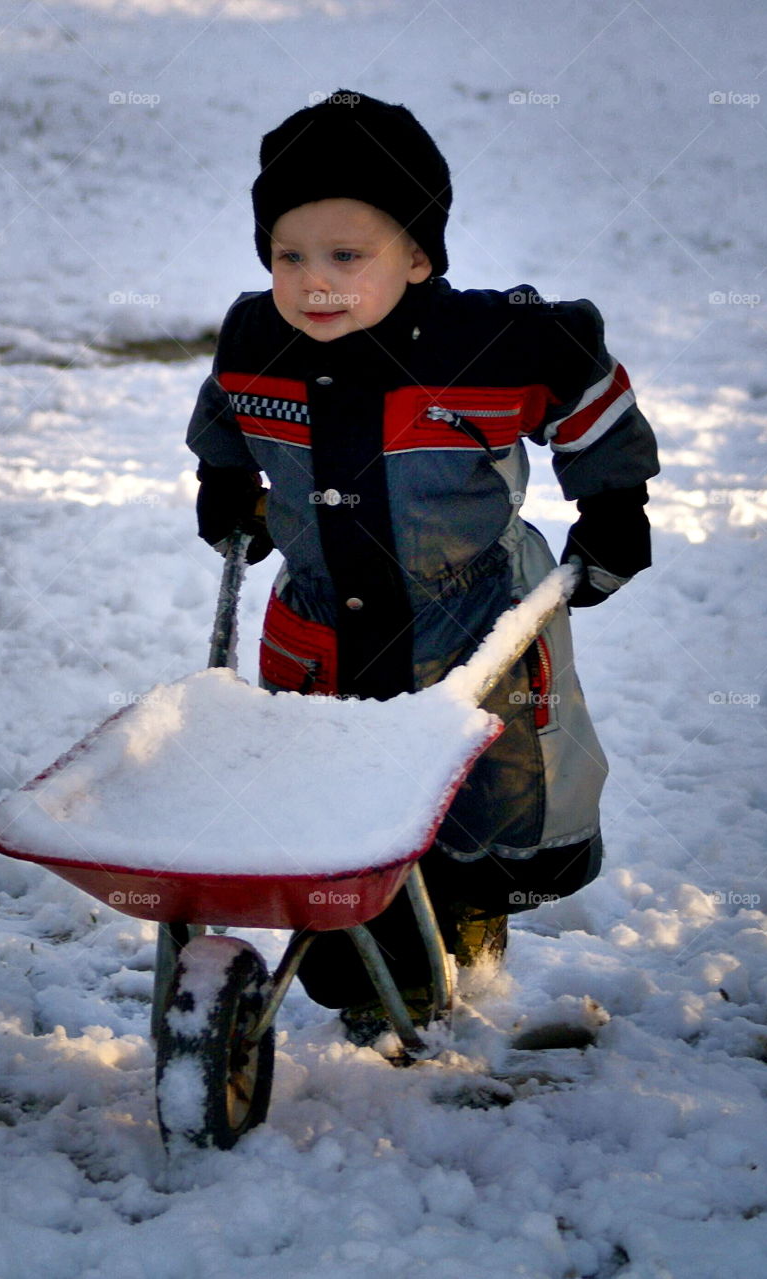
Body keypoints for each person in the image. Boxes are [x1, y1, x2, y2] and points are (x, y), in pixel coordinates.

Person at [186, 90, 659, 1045]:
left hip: (471, 622)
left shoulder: (489, 344)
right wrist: (227, 482)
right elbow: (228, 414)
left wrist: (615, 504)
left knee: (483, 794)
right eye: (290, 256)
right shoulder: (256, 340)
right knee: (330, 791)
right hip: (320, 626)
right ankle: (368, 961)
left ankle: (470, 916)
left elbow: (584, 386)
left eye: (347, 257)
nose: (314, 282)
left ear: (418, 256)